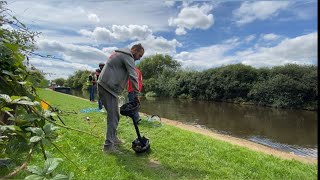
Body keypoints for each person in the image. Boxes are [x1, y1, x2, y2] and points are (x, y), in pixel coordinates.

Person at [97, 43, 144, 153]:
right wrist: (137, 94)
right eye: (139, 55)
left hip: (105, 86)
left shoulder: (119, 53)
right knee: (113, 117)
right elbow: (133, 76)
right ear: (134, 50)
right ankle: (108, 146)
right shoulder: (128, 56)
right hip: (108, 88)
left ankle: (113, 138)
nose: (139, 58)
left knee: (115, 115)